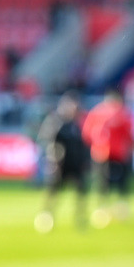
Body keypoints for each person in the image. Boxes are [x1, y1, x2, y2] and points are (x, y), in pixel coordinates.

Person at [36, 92, 90, 232]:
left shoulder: (77, 125)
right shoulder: (56, 122)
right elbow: (49, 142)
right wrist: (53, 160)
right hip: (60, 165)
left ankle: (80, 218)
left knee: (81, 192)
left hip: (75, 165)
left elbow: (82, 145)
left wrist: (85, 162)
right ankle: (46, 216)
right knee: (53, 193)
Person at [82, 88, 134, 225]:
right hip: (119, 153)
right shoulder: (123, 112)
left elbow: (86, 133)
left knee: (102, 182)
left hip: (100, 153)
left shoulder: (96, 111)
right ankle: (121, 209)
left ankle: (102, 209)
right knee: (121, 182)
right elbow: (129, 134)